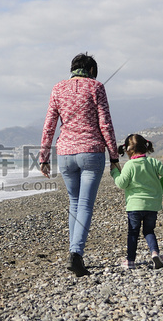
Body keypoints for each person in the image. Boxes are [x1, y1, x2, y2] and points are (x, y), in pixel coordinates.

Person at [40, 53, 120, 277]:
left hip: (65, 154)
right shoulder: (96, 87)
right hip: (91, 152)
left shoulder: (58, 88)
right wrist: (114, 156)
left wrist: (43, 157)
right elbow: (105, 123)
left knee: (74, 203)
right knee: (84, 205)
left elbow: (49, 125)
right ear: (92, 70)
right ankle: (76, 254)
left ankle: (73, 252)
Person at [110, 134, 163, 270]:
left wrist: (115, 173)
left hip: (134, 206)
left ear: (128, 150)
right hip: (152, 205)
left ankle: (130, 261)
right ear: (145, 147)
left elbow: (121, 183)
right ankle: (155, 253)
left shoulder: (129, 165)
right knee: (149, 231)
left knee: (133, 233)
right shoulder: (153, 162)